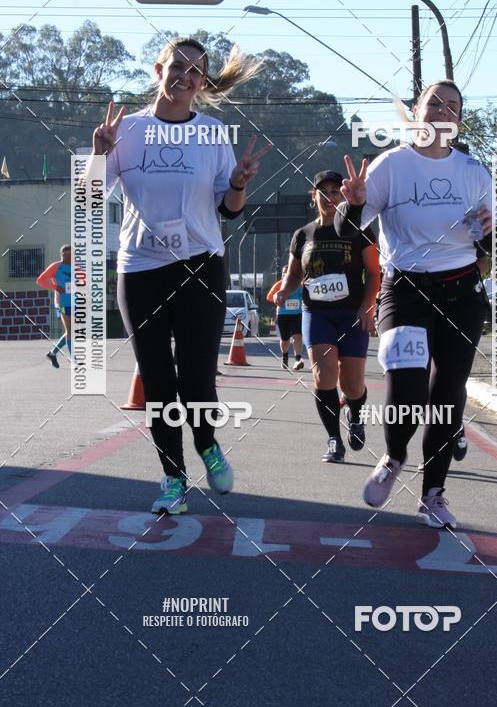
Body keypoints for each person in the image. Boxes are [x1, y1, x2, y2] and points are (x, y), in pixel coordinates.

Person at [92, 37, 271, 514]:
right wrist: (97, 153)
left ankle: (208, 444)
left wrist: (237, 185)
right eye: (177, 66)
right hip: (141, 267)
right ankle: (173, 479)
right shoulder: (125, 132)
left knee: (195, 378)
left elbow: (228, 210)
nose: (185, 77)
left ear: (202, 81)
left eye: (195, 70)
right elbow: (90, 195)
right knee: (156, 379)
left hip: (200, 264)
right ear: (159, 70)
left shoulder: (213, 134)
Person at [335, 80, 492, 527]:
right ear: (416, 112)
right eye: (434, 104)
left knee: (448, 394)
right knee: (405, 389)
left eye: (454, 107)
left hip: (461, 293)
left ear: (460, 119)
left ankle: (434, 495)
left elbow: (490, 245)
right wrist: (355, 204)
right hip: (405, 291)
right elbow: (350, 234)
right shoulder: (390, 167)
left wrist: (488, 229)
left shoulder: (474, 172)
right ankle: (394, 455)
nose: (444, 112)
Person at [275, 170, 380, 462]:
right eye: (324, 192)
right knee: (323, 377)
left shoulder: (361, 230)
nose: (330, 197)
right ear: (314, 197)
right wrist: (285, 290)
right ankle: (334, 439)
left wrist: (366, 306)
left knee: (353, 385)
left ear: (343, 196)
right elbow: (295, 274)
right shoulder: (303, 234)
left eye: (336, 191)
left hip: (352, 314)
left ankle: (355, 415)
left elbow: (373, 274)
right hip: (316, 313)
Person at [37, 245, 72, 368]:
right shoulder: (55, 266)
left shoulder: (76, 267)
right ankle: (73, 359)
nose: (66, 257)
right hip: (61, 303)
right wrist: (55, 287)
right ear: (60, 255)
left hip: (76, 302)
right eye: (64, 255)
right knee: (70, 330)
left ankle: (52, 354)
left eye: (69, 255)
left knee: (71, 332)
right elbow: (40, 280)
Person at [266, 265, 304, 369]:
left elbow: (305, 296)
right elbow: (269, 297)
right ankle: (285, 358)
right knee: (285, 339)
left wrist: (300, 299)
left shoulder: (299, 285)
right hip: (283, 315)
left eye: (288, 274)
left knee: (298, 336)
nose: (285, 276)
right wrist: (277, 299)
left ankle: (298, 359)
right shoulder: (279, 285)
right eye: (284, 274)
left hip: (297, 314)